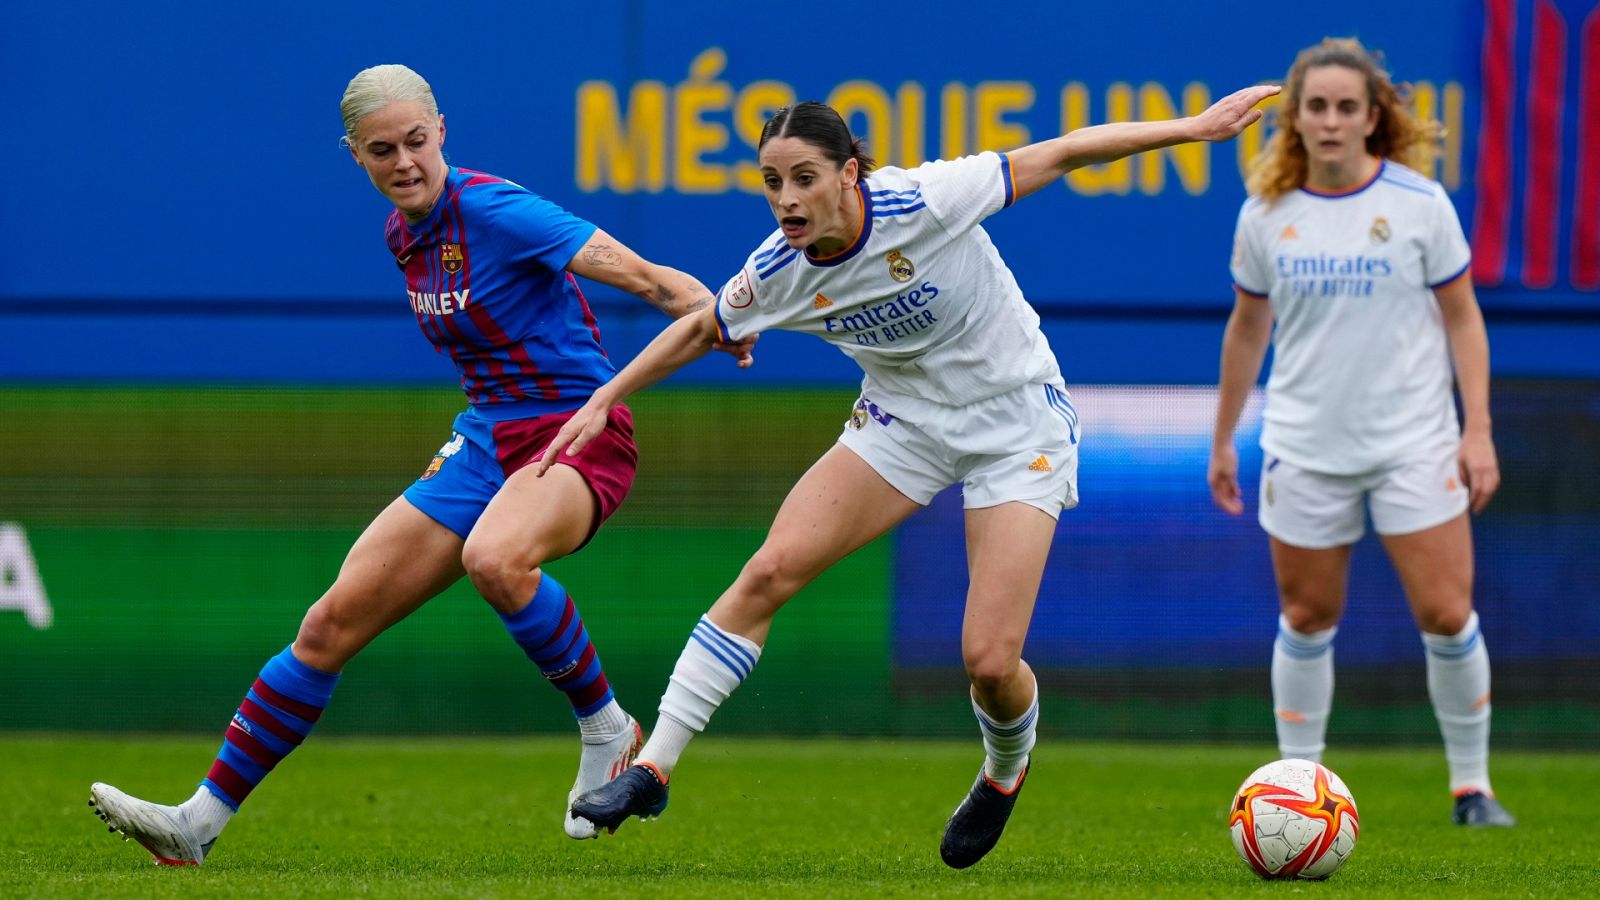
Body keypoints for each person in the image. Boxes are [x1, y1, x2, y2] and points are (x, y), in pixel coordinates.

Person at [537, 86, 1278, 868]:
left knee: (990, 662)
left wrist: (1194, 128)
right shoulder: (779, 270)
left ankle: (1003, 769)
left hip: (1015, 419)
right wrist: (606, 397)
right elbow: (704, 327)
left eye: (805, 177)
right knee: (769, 570)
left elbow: (1062, 151)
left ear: (850, 173)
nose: (787, 199)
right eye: (771, 181)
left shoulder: (925, 199)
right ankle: (655, 768)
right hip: (903, 422)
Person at [86, 63, 752, 865]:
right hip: (486, 440)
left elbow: (643, 275)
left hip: (577, 431)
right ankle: (197, 824)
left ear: (442, 133)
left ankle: (609, 729)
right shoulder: (404, 233)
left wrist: (723, 315)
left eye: (415, 142)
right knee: (328, 625)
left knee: (496, 560)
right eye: (381, 150)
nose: (403, 161)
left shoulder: (497, 210)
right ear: (355, 157)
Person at [1207, 38, 1513, 827]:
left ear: (1374, 118)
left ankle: (1472, 788)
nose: (1332, 121)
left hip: (1415, 443)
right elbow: (1247, 330)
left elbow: (1464, 321)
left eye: (1348, 107)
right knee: (1307, 618)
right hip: (1305, 449)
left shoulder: (1419, 205)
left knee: (1447, 615)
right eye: (1317, 107)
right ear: (1295, 120)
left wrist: (1476, 431)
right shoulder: (1265, 215)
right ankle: (1296, 795)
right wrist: (1222, 438)